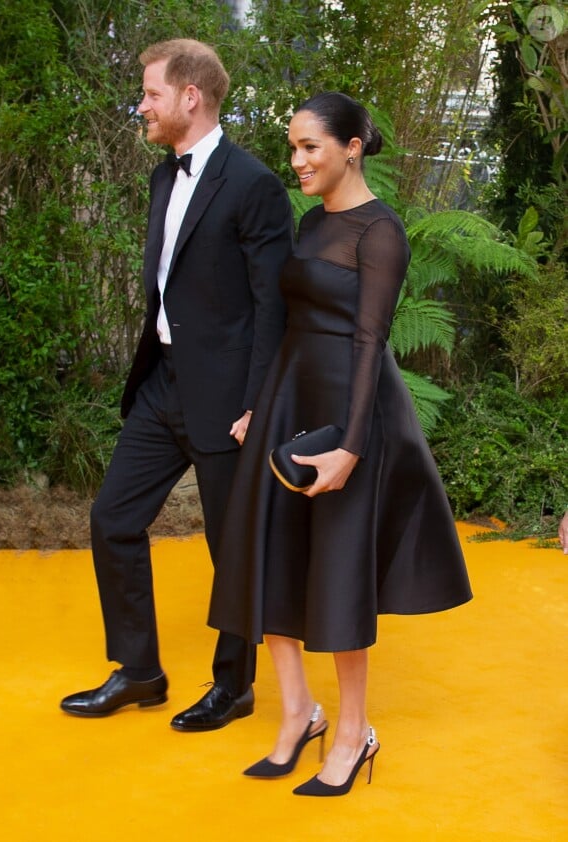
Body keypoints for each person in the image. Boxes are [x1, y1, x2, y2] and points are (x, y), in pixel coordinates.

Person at [208, 92, 473, 795]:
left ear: (352, 147)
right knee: (275, 557)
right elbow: (292, 323)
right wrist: (259, 406)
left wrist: (351, 447)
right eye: (292, 147)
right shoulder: (310, 221)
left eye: (309, 147)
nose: (296, 160)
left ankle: (354, 732)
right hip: (291, 398)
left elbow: (368, 342)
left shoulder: (380, 232)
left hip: (351, 413)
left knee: (339, 572)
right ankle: (299, 712)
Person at [60, 39, 293, 730]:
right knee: (113, 519)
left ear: (191, 96)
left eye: (151, 93)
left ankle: (235, 686)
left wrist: (257, 402)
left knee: (232, 550)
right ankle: (139, 671)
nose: (142, 105)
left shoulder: (254, 185)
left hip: (227, 400)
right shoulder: (165, 176)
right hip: (162, 384)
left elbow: (271, 307)